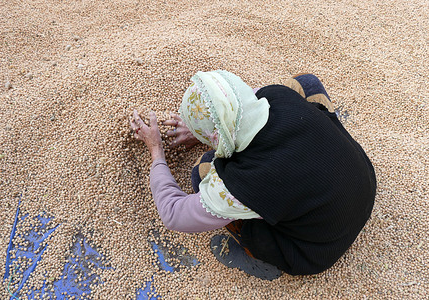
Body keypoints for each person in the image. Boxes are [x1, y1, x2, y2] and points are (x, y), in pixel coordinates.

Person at [130, 71, 376, 280]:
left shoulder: (240, 183)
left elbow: (173, 214)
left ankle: (258, 254)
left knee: (202, 171)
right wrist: (205, 131)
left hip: (316, 250)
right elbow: (244, 100)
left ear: (215, 137)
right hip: (363, 182)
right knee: (306, 83)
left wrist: (156, 151)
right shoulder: (277, 94)